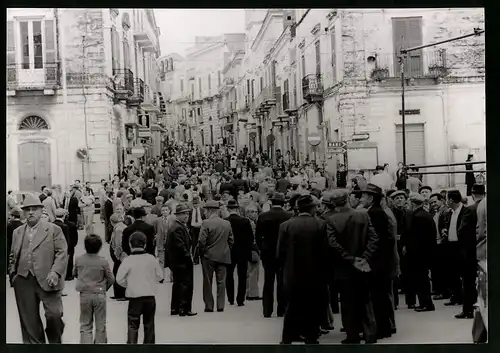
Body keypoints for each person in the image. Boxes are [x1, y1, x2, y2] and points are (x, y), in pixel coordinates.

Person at [8, 195, 68, 343]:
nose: (30, 212)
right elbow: (12, 254)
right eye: (27, 209)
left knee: (54, 315)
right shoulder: (17, 232)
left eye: (34, 209)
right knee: (29, 321)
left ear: (41, 211)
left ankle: (55, 342)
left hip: (49, 279)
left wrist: (55, 271)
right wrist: (13, 274)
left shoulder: (54, 229)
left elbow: (62, 252)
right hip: (23, 280)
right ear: (23, 212)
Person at [325, 189, 378, 344]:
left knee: (347, 303)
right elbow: (374, 238)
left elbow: (332, 245)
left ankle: (352, 334)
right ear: (348, 199)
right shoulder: (362, 215)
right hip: (364, 265)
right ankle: (370, 333)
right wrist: (364, 258)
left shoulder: (332, 220)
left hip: (344, 267)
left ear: (333, 203)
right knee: (365, 300)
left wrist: (351, 259)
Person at [277, 195, 329, 344]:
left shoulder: (285, 225)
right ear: (312, 208)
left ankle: (288, 337)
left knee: (292, 306)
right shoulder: (320, 224)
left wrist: (283, 270)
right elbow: (325, 252)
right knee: (313, 306)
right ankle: (311, 336)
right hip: (315, 273)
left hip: (291, 273)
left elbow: (280, 252)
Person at [360, 183, 397, 340]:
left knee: (378, 297)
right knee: (380, 296)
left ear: (370, 197)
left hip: (378, 263)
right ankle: (385, 327)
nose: (361, 198)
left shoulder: (375, 213)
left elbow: (380, 240)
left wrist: (371, 259)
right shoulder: (376, 211)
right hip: (381, 261)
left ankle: (382, 329)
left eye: (363, 196)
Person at [116, 231, 164, 344]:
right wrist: (151, 281)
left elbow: (119, 279)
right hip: (149, 297)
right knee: (149, 325)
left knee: (133, 325)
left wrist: (129, 284)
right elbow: (160, 275)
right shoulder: (151, 258)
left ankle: (132, 347)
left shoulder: (128, 260)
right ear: (145, 244)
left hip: (134, 297)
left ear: (130, 244)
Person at [255, 192, 292, 318]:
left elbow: (258, 235)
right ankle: (281, 309)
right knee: (282, 281)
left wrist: (261, 248)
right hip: (283, 252)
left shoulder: (263, 216)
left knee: (268, 281)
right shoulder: (288, 216)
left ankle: (267, 310)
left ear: (271, 202)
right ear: (283, 203)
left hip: (268, 252)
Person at [73, 234, 114, 343]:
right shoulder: (103, 261)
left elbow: (74, 273)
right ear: (100, 247)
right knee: (101, 324)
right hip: (99, 293)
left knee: (85, 323)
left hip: (85, 294)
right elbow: (111, 279)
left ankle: (86, 347)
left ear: (85, 246)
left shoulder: (79, 260)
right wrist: (104, 287)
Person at [198, 200, 234, 312]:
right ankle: (220, 305)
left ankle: (209, 305)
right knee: (221, 281)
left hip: (208, 256)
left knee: (208, 282)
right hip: (223, 256)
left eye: (205, 211)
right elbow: (231, 240)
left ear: (209, 211)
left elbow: (201, 241)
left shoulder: (206, 223)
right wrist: (225, 249)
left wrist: (203, 252)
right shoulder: (226, 223)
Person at [455, 184, 484, 319]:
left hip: (470, 252)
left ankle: (468, 310)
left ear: (472, 194)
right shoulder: (488, 208)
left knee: (468, 282)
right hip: (484, 251)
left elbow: (462, 232)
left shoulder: (470, 209)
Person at [403, 194, 436, 312]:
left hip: (420, 254)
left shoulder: (418, 216)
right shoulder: (424, 215)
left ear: (413, 203)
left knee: (421, 279)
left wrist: (411, 251)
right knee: (423, 278)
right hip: (425, 253)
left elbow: (418, 238)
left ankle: (426, 304)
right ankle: (425, 303)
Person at [166, 204, 197, 317]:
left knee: (178, 284)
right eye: (183, 214)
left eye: (187, 213)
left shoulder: (177, 226)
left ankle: (175, 308)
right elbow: (180, 245)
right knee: (186, 284)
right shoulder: (178, 227)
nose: (186, 216)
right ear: (177, 215)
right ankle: (184, 308)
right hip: (182, 261)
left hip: (177, 261)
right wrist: (188, 256)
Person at [225, 199, 255, 307]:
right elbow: (250, 238)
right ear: (237, 208)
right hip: (242, 251)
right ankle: (240, 299)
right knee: (242, 275)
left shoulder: (225, 221)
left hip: (229, 251)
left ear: (228, 209)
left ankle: (231, 298)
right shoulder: (245, 221)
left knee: (229, 275)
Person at [245, 203, 262, 301]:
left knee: (250, 271)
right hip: (252, 249)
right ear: (247, 213)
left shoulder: (250, 222)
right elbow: (253, 238)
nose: (255, 214)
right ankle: (252, 293)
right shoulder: (251, 223)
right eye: (252, 212)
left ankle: (249, 292)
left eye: (256, 212)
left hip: (249, 249)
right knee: (253, 271)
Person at [109, 214, 128, 300]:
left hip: (121, 256)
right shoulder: (122, 226)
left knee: (117, 273)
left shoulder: (118, 229)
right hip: (123, 256)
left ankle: (120, 294)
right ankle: (119, 294)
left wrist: (117, 255)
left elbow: (118, 244)